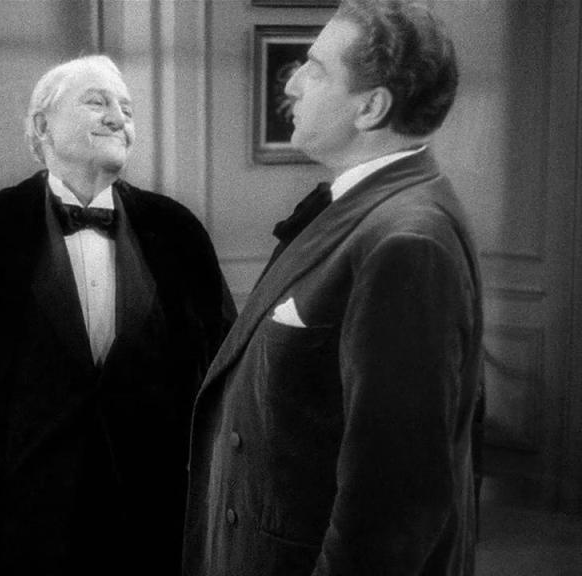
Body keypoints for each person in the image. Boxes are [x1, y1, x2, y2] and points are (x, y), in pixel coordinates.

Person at [0, 54, 235, 576]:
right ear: (42, 127)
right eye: (97, 102)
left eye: (127, 109)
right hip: (8, 544)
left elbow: (227, 376)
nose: (118, 118)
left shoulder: (178, 234)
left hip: (149, 535)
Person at [183, 1, 482, 575]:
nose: (291, 83)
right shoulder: (368, 207)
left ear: (371, 108)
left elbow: (392, 506)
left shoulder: (408, 241)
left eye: (315, 69)